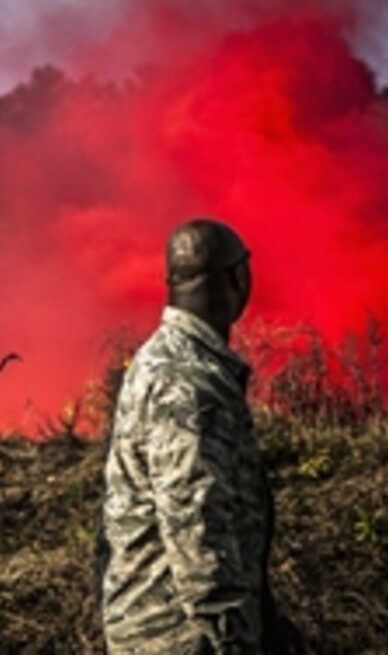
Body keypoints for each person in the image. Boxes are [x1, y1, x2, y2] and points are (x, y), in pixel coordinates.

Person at [97, 219, 301, 654]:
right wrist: (238, 641)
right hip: (180, 636)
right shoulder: (187, 382)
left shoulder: (170, 361)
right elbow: (197, 528)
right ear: (238, 279)